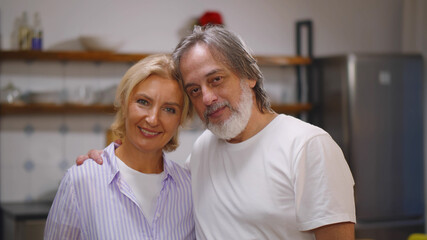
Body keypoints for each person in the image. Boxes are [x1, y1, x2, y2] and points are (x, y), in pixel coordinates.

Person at [78, 25, 356, 240]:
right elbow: (155, 185)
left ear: (249, 75)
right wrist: (108, 160)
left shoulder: (308, 146)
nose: (207, 98)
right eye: (195, 90)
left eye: (216, 80)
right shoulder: (203, 149)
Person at [46, 54, 195, 240]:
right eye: (143, 102)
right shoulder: (81, 181)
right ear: (124, 103)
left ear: (180, 119)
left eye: (169, 109)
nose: (153, 119)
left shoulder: (190, 189)